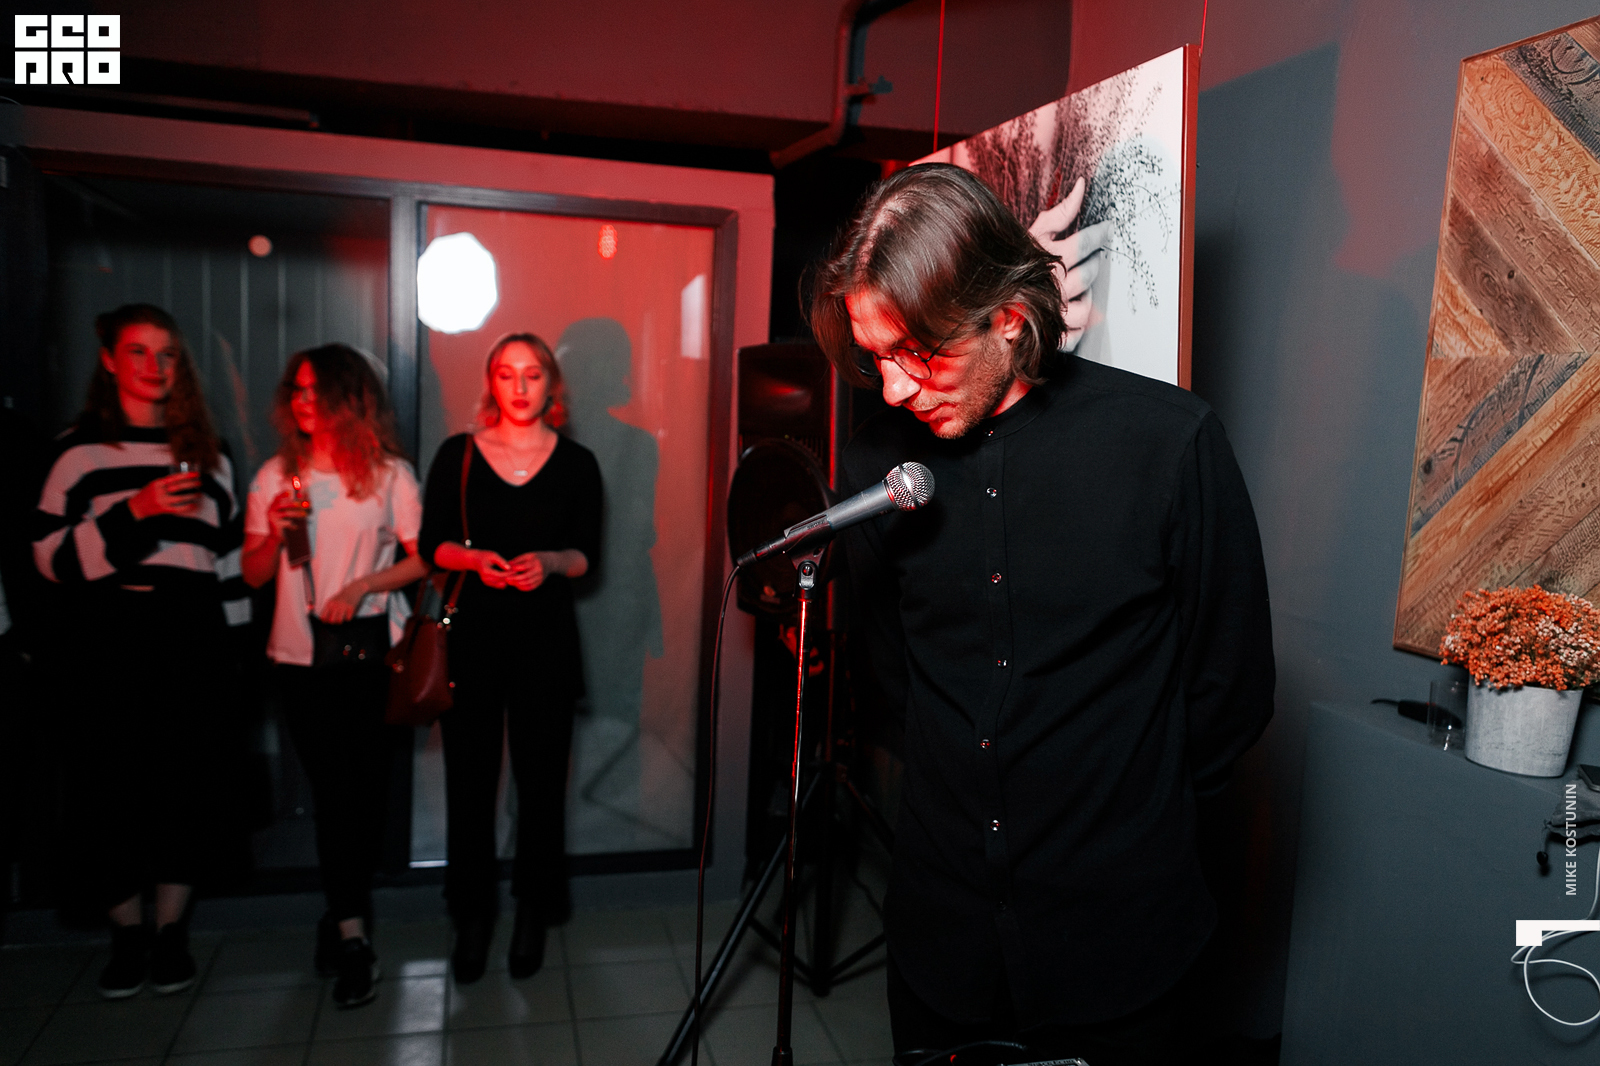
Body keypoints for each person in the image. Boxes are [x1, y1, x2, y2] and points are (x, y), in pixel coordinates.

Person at [810, 164, 1275, 1065]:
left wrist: (1129, 814)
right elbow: (889, 673)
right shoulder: (878, 465)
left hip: (1120, 945)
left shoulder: (1168, 443)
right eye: (876, 357)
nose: (895, 388)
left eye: (918, 353)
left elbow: (1231, 688)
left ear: (1010, 319)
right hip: (942, 944)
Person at [33, 304, 251, 998]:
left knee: (186, 786)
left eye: (166, 354)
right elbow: (50, 561)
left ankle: (170, 932)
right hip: (111, 635)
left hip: (193, 634)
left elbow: (229, 563)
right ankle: (126, 937)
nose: (154, 367)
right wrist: (138, 510)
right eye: (138, 352)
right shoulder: (78, 452)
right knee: (108, 790)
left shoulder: (211, 454)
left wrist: (238, 653)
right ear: (109, 360)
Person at [241, 344, 425, 1008]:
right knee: (333, 795)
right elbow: (254, 573)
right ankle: (350, 930)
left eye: (317, 390)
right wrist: (271, 531)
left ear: (352, 398)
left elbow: (423, 559)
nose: (303, 401)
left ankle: (344, 920)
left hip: (369, 656)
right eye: (296, 390)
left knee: (362, 795)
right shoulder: (275, 475)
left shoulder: (389, 475)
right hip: (298, 658)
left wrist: (364, 584)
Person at [419, 332, 602, 984]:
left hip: (546, 641)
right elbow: (432, 544)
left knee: (541, 785)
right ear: (491, 383)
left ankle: (533, 910)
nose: (519, 387)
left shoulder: (577, 462)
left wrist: (550, 561)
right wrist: (476, 561)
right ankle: (472, 915)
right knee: (469, 785)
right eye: (506, 373)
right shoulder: (459, 454)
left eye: (532, 374)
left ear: (552, 384)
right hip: (473, 637)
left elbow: (586, 556)